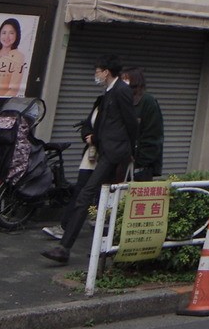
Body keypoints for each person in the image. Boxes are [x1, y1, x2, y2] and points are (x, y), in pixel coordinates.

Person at [43, 55, 139, 263]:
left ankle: (67, 248)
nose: (95, 74)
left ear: (106, 71)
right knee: (90, 196)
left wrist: (130, 149)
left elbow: (130, 122)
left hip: (114, 152)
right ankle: (67, 247)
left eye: (97, 70)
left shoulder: (121, 90)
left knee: (88, 194)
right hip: (105, 150)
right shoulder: (108, 92)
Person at [125, 67, 164, 179]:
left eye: (126, 79)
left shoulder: (148, 102)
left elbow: (153, 136)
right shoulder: (124, 100)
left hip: (139, 168)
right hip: (120, 164)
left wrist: (140, 160)